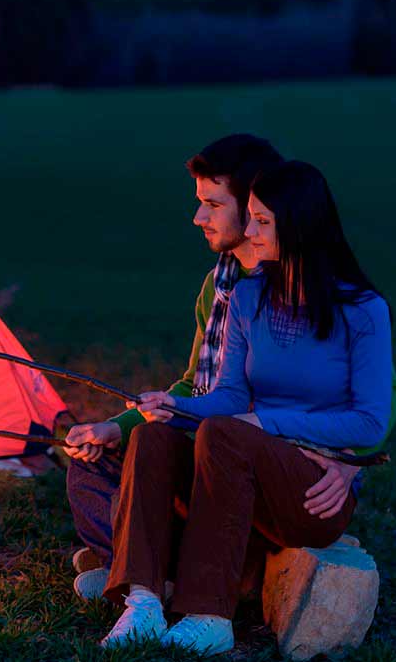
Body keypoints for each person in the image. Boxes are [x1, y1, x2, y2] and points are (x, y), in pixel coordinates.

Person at [99, 161, 396, 655]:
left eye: (263, 221)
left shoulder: (363, 310)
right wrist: (176, 406)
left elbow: (370, 420)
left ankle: (209, 616)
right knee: (153, 436)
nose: (250, 231)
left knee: (225, 434)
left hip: (311, 491)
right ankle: (144, 603)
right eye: (251, 218)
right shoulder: (247, 296)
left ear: (300, 225)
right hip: (241, 468)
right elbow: (232, 398)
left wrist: (265, 423)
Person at [59, 134, 282, 598]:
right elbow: (193, 383)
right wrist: (114, 428)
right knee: (91, 468)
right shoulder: (217, 284)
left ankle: (138, 565)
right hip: (197, 438)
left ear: (255, 205)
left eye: (212, 205)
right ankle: (147, 568)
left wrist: (346, 466)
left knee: (163, 463)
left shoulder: (291, 289)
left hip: (247, 464)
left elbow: (373, 392)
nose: (198, 217)